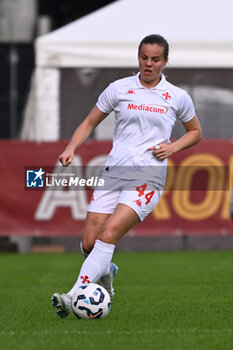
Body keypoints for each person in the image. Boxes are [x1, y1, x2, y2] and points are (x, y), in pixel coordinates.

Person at [51, 34, 202, 318]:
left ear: (165, 62)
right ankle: (106, 273)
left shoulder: (177, 96)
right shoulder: (119, 89)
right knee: (88, 242)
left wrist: (172, 147)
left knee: (109, 235)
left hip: (148, 175)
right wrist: (71, 147)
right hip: (114, 171)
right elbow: (90, 122)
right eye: (144, 57)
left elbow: (195, 132)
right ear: (138, 57)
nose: (148, 64)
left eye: (155, 59)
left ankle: (73, 297)